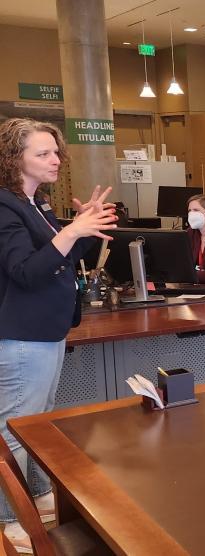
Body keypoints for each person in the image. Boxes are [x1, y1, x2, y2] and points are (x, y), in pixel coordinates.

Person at [0, 118, 118, 551]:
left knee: (36, 423)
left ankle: (35, 496)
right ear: (15, 160)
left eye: (56, 152)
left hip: (47, 332)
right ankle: (10, 517)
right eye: (42, 153)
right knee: (14, 427)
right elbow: (26, 272)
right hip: (23, 335)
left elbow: (59, 259)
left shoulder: (37, 203)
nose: (55, 160)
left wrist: (84, 227)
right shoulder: (5, 207)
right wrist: (71, 231)